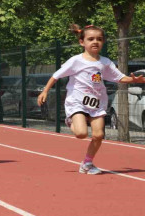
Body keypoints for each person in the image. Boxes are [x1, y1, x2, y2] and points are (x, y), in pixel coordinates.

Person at [38, 24, 145, 174]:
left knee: (98, 135)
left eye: (99, 39)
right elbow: (56, 75)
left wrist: (134, 80)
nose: (95, 42)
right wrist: (45, 91)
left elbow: (119, 77)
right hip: (77, 101)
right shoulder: (76, 61)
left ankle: (87, 163)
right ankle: (70, 121)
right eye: (91, 39)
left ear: (103, 42)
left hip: (97, 102)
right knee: (81, 134)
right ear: (82, 42)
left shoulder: (105, 62)